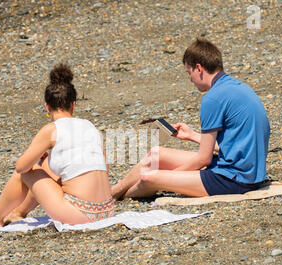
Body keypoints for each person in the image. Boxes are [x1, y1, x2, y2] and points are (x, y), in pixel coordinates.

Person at [111, 38, 270, 200]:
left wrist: (169, 177)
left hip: (233, 180)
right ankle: (111, 193)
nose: (190, 80)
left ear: (199, 68)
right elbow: (235, 145)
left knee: (149, 178)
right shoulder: (237, 87)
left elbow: (203, 159)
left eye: (189, 73)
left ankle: (115, 200)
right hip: (246, 171)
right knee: (155, 155)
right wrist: (191, 135)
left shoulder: (213, 98)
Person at [0, 63, 114, 231]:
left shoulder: (51, 130)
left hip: (80, 214)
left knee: (27, 172)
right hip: (106, 212)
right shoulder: (90, 127)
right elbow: (104, 169)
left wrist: (37, 159)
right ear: (73, 105)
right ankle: (18, 213)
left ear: (47, 106)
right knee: (48, 167)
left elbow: (21, 167)